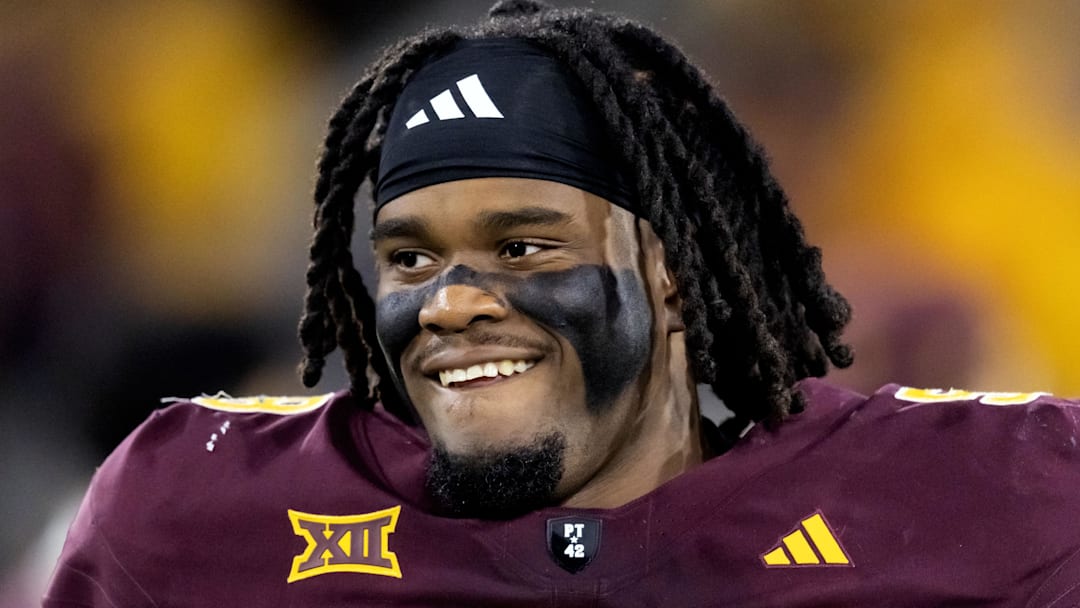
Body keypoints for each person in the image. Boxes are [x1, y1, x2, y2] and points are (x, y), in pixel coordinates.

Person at [44, 2, 1080, 605]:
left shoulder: (987, 495)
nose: (450, 302)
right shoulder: (196, 509)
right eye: (409, 257)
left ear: (675, 269)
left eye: (524, 246)